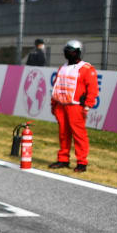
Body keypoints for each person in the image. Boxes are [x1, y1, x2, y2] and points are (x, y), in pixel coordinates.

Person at [49, 39, 98, 173]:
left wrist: (88, 105)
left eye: (72, 51)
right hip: (61, 106)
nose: (69, 53)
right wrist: (53, 104)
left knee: (79, 135)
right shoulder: (62, 68)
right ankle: (63, 159)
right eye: (67, 51)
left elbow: (92, 89)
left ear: (79, 52)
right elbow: (56, 87)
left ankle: (82, 162)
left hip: (76, 106)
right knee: (63, 134)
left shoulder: (87, 69)